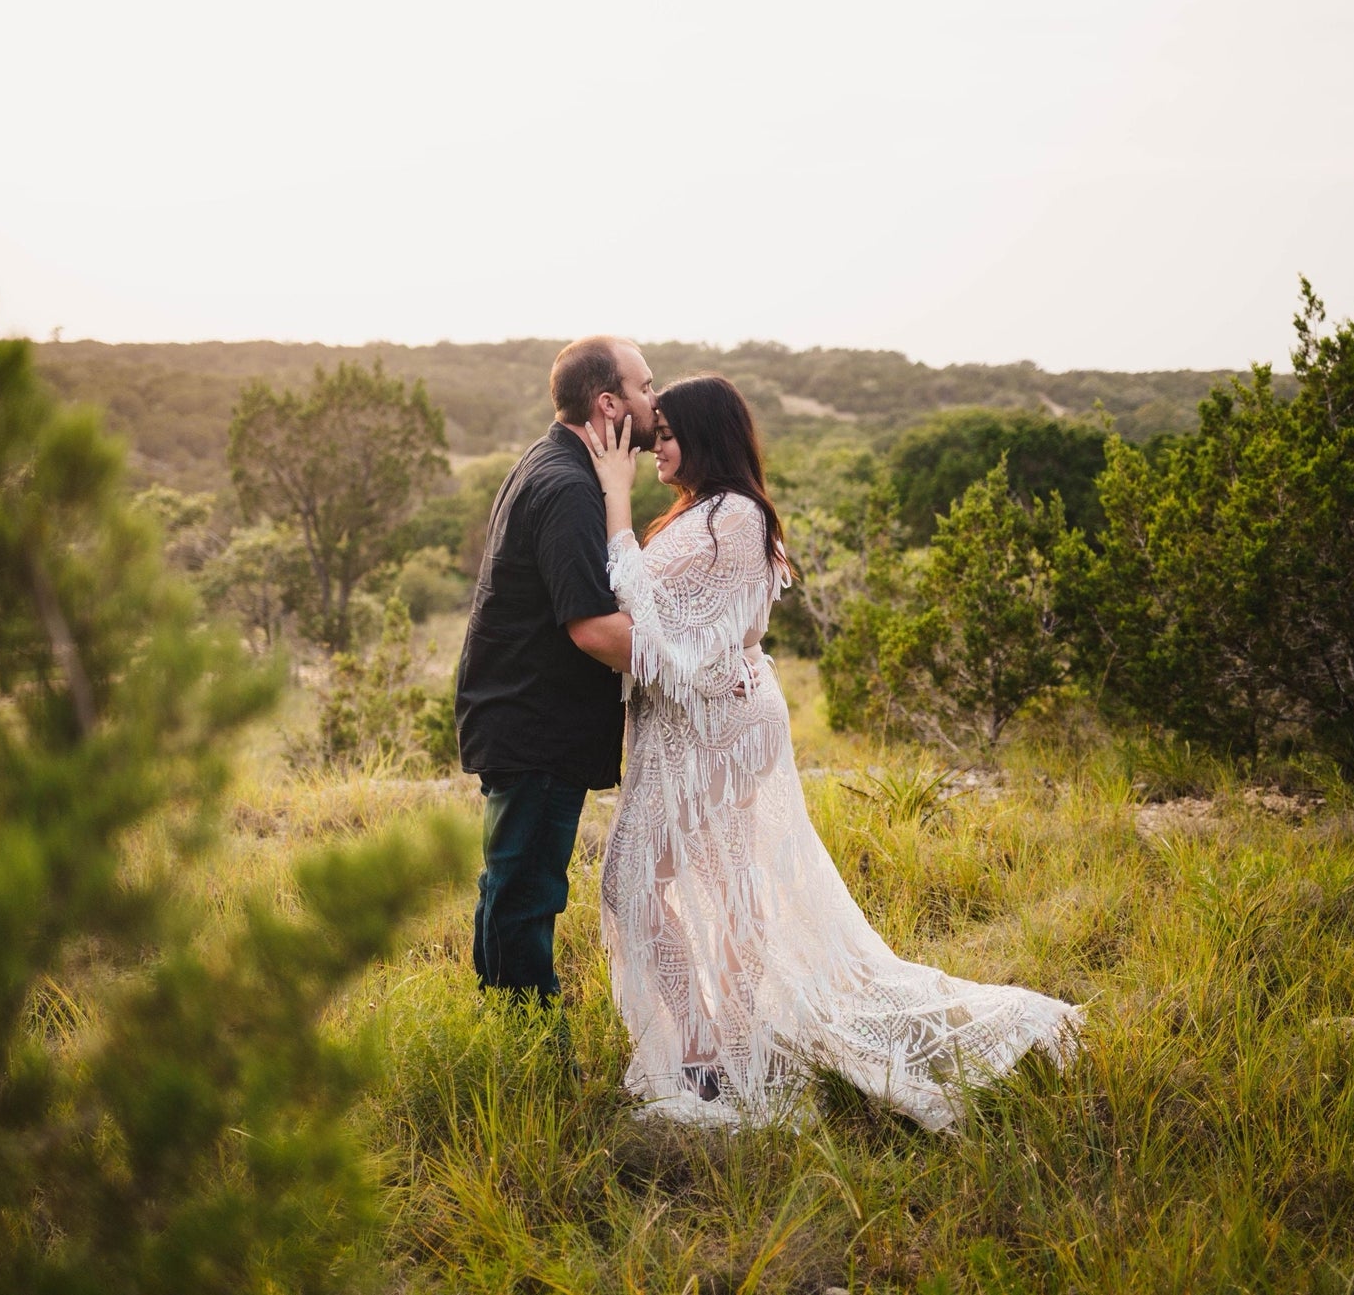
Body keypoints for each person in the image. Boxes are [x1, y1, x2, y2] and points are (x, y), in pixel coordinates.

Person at [581, 375, 1082, 1129]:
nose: (655, 449)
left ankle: (711, 1050)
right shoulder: (708, 512)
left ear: (708, 438)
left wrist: (614, 497)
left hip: (721, 725)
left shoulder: (734, 518)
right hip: (716, 719)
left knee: (650, 882)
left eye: (667, 436)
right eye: (653, 438)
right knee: (704, 879)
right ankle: (717, 1043)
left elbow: (645, 615)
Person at [452, 336, 656, 1006]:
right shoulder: (568, 487)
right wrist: (698, 666)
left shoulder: (549, 461)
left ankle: (503, 1028)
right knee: (527, 890)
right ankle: (528, 1044)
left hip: (518, 713)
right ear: (608, 402)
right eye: (645, 386)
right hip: (535, 724)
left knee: (509, 882)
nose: (655, 400)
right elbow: (591, 626)